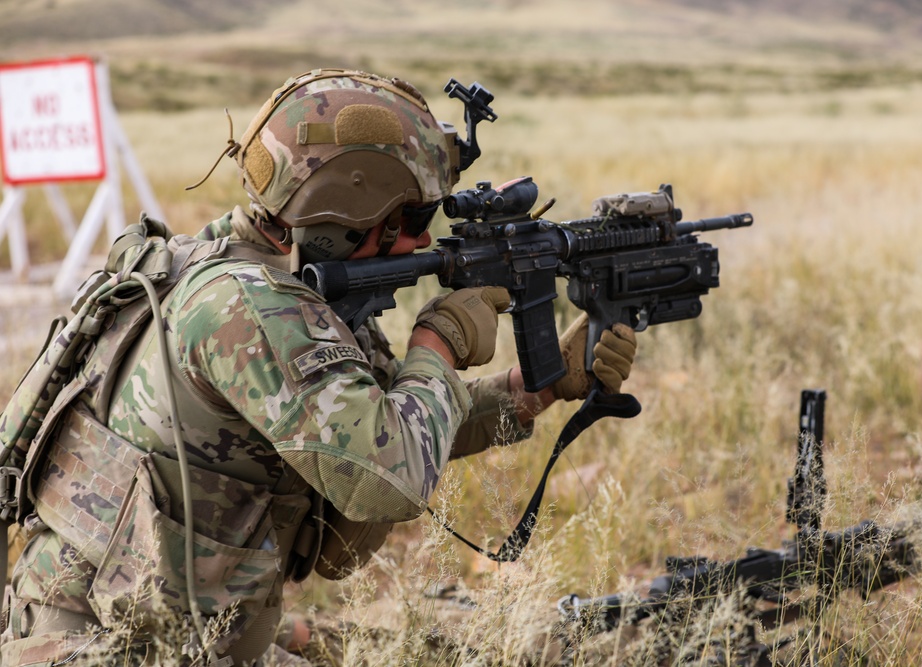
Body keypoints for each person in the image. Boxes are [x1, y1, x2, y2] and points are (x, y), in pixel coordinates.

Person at [0, 69, 637, 666]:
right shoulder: (248, 309)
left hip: (169, 634)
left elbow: (388, 421)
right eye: (412, 218)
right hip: (105, 648)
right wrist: (438, 344)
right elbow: (386, 477)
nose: (423, 240)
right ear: (342, 212)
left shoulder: (252, 275)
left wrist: (531, 391)